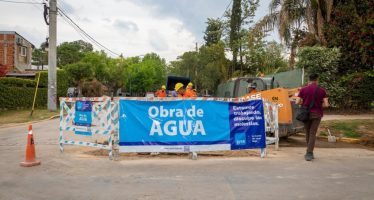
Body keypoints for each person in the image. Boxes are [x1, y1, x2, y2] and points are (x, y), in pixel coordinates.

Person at [296, 73, 329, 161]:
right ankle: (309, 152)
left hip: (305, 114)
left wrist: (303, 103)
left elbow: (297, 102)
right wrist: (319, 104)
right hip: (317, 114)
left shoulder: (303, 89)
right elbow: (326, 104)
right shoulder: (322, 90)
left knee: (307, 132)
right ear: (317, 80)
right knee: (312, 133)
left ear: (309, 80)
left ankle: (309, 151)